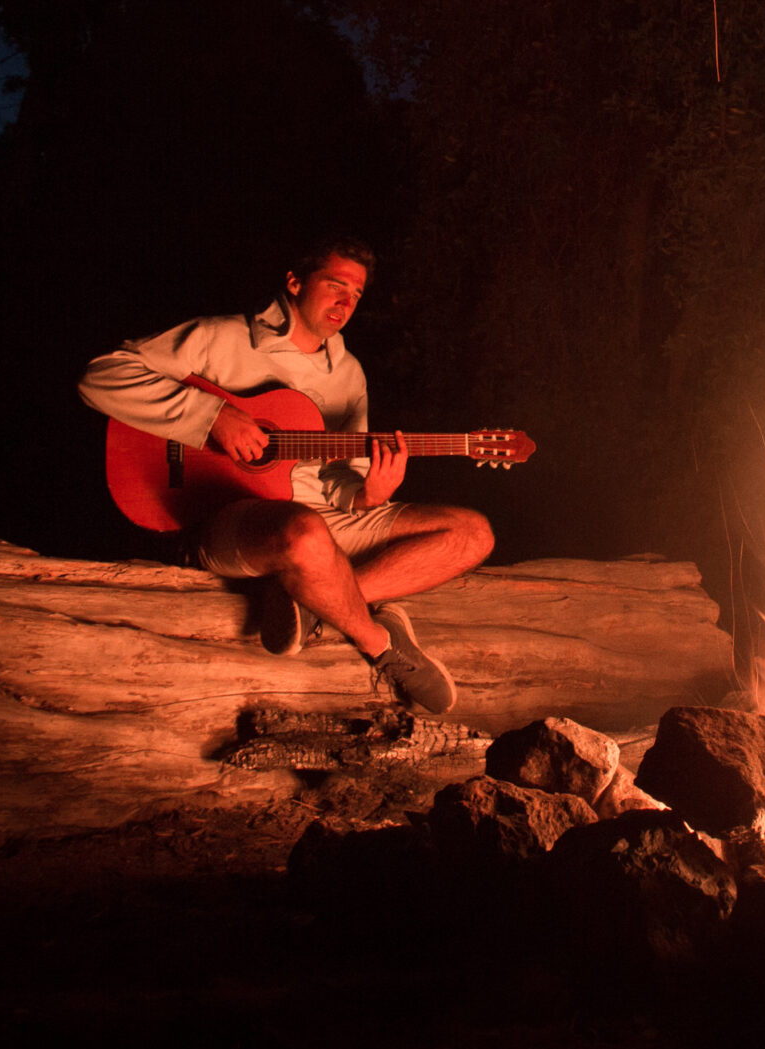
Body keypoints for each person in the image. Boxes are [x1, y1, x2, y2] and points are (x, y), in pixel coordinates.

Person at [77, 237, 490, 712]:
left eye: (356, 294)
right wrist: (210, 416)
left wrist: (369, 495)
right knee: (304, 533)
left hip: (322, 519)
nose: (345, 302)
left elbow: (341, 482)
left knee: (472, 534)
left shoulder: (348, 374)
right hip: (229, 516)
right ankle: (379, 643)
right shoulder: (223, 338)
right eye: (335, 285)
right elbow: (101, 376)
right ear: (295, 282)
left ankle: (309, 595)